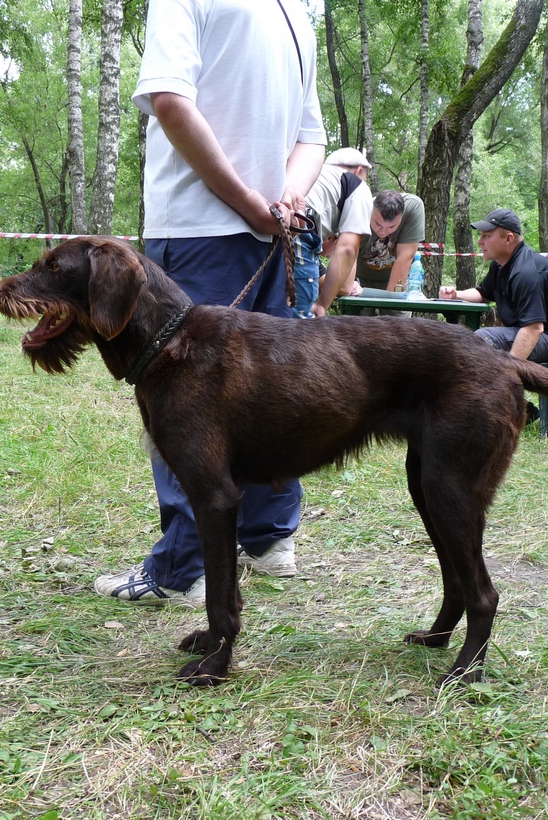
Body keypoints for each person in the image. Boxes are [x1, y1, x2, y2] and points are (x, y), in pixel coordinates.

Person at [93, 0, 326, 606]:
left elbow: (170, 100)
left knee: (183, 404)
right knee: (274, 390)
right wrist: (283, 201)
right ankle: (270, 539)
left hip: (200, 227)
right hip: (272, 230)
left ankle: (184, 567)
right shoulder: (297, 14)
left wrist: (254, 204)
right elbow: (311, 138)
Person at [437, 208, 548, 362]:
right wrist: (456, 294)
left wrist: (509, 370)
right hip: (538, 334)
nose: (480, 242)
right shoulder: (500, 265)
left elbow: (534, 329)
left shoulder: (526, 272)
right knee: (473, 338)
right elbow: (483, 293)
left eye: (487, 236)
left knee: (483, 338)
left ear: (508, 238)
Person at [295, 147, 373, 318]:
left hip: (269, 220)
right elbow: (347, 249)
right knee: (299, 324)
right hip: (299, 226)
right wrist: (323, 304)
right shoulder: (357, 185)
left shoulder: (308, 174)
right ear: (359, 171)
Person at [348, 190, 426, 315]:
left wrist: (390, 302)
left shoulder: (413, 207)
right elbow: (349, 254)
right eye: (378, 224)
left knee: (395, 322)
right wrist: (350, 285)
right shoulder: (358, 210)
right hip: (360, 279)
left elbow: (405, 257)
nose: (383, 232)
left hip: (396, 279)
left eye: (391, 227)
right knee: (356, 322)